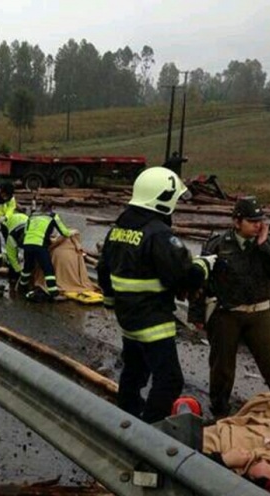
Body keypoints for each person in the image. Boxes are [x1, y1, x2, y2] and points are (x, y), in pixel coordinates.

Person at [97, 166, 215, 423]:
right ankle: (150, 431)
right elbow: (183, 276)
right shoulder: (159, 234)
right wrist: (205, 264)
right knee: (170, 380)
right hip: (153, 321)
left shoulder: (119, 227)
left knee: (134, 372)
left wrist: (109, 300)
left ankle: (126, 418)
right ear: (163, 197)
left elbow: (103, 268)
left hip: (128, 318)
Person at [189, 196, 270, 419]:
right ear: (237, 221)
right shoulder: (217, 245)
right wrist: (196, 313)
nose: (257, 225)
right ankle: (220, 411)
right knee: (222, 367)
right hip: (226, 313)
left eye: (260, 220)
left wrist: (265, 246)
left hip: (259, 312)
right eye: (252, 221)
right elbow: (201, 281)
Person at [18, 199, 73, 301]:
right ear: (52, 207)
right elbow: (64, 232)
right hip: (39, 244)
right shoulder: (52, 216)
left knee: (28, 267)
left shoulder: (33, 215)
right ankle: (54, 294)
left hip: (27, 243)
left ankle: (21, 287)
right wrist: (72, 232)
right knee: (48, 269)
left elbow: (26, 231)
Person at [0, 212, 28, 289]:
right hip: (6, 223)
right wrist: (18, 271)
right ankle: (12, 276)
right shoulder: (11, 239)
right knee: (12, 255)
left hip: (23, 218)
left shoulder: (31, 235)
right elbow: (12, 258)